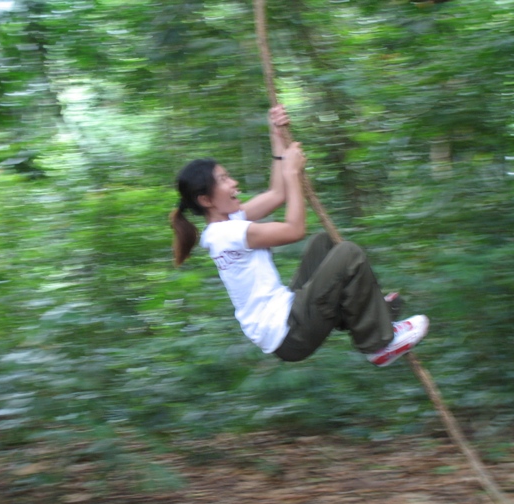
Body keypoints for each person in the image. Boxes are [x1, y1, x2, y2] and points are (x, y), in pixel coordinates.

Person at [169, 105, 428, 367]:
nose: (233, 183)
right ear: (205, 200)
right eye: (223, 180)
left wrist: (276, 137)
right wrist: (292, 172)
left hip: (288, 316)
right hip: (290, 333)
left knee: (323, 245)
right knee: (348, 254)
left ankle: (365, 313)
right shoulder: (227, 234)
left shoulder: (229, 222)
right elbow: (294, 230)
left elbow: (276, 194)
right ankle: (378, 344)